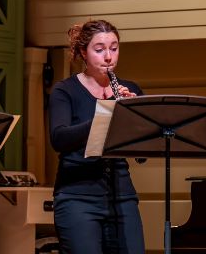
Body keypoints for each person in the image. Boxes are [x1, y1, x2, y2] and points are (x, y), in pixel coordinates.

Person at [49, 19, 145, 254]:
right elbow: (59, 139)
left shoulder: (130, 88)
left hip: (122, 195)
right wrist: (108, 112)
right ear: (83, 52)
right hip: (77, 196)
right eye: (100, 49)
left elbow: (142, 155)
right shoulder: (65, 90)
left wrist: (136, 117)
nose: (109, 56)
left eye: (114, 48)